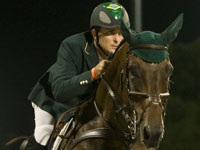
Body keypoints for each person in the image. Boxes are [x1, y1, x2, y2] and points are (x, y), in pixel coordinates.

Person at [21, 2, 130, 150]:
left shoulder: (126, 51)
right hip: (55, 98)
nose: (117, 39)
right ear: (94, 34)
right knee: (44, 134)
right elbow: (60, 91)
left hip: (91, 101)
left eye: (121, 33)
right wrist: (93, 74)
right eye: (110, 33)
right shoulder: (72, 45)